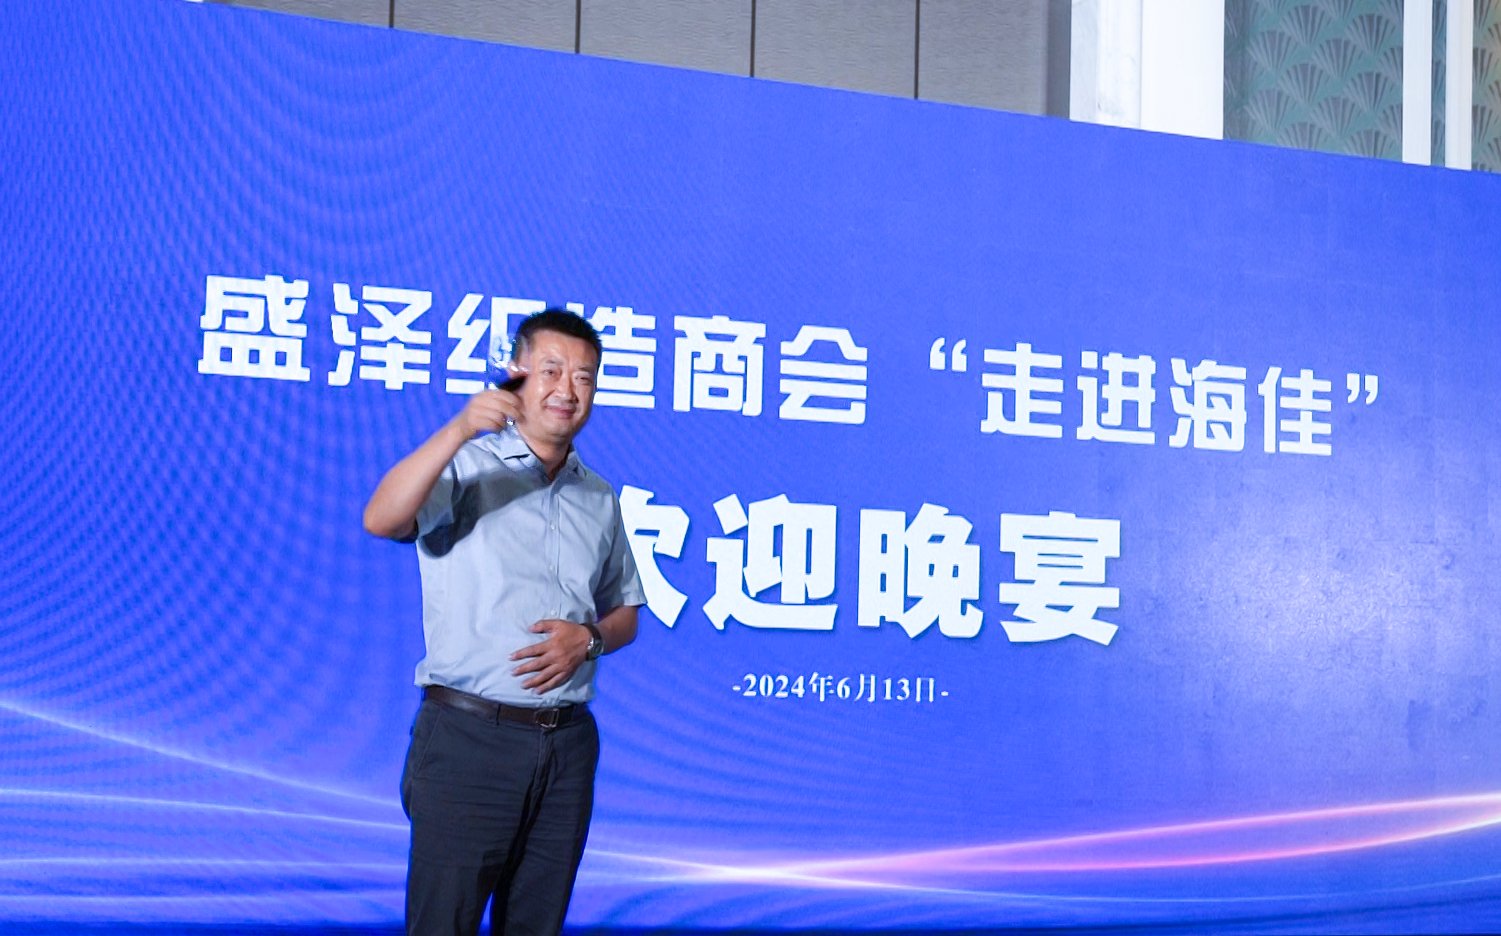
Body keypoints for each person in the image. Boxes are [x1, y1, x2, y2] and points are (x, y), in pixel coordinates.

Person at [363, 308, 645, 935]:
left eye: (584, 377)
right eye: (551, 370)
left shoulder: (598, 495)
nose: (568, 389)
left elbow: (625, 613)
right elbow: (381, 519)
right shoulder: (468, 465)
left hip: (567, 748)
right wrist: (460, 427)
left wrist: (589, 640)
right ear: (518, 373)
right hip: (470, 740)